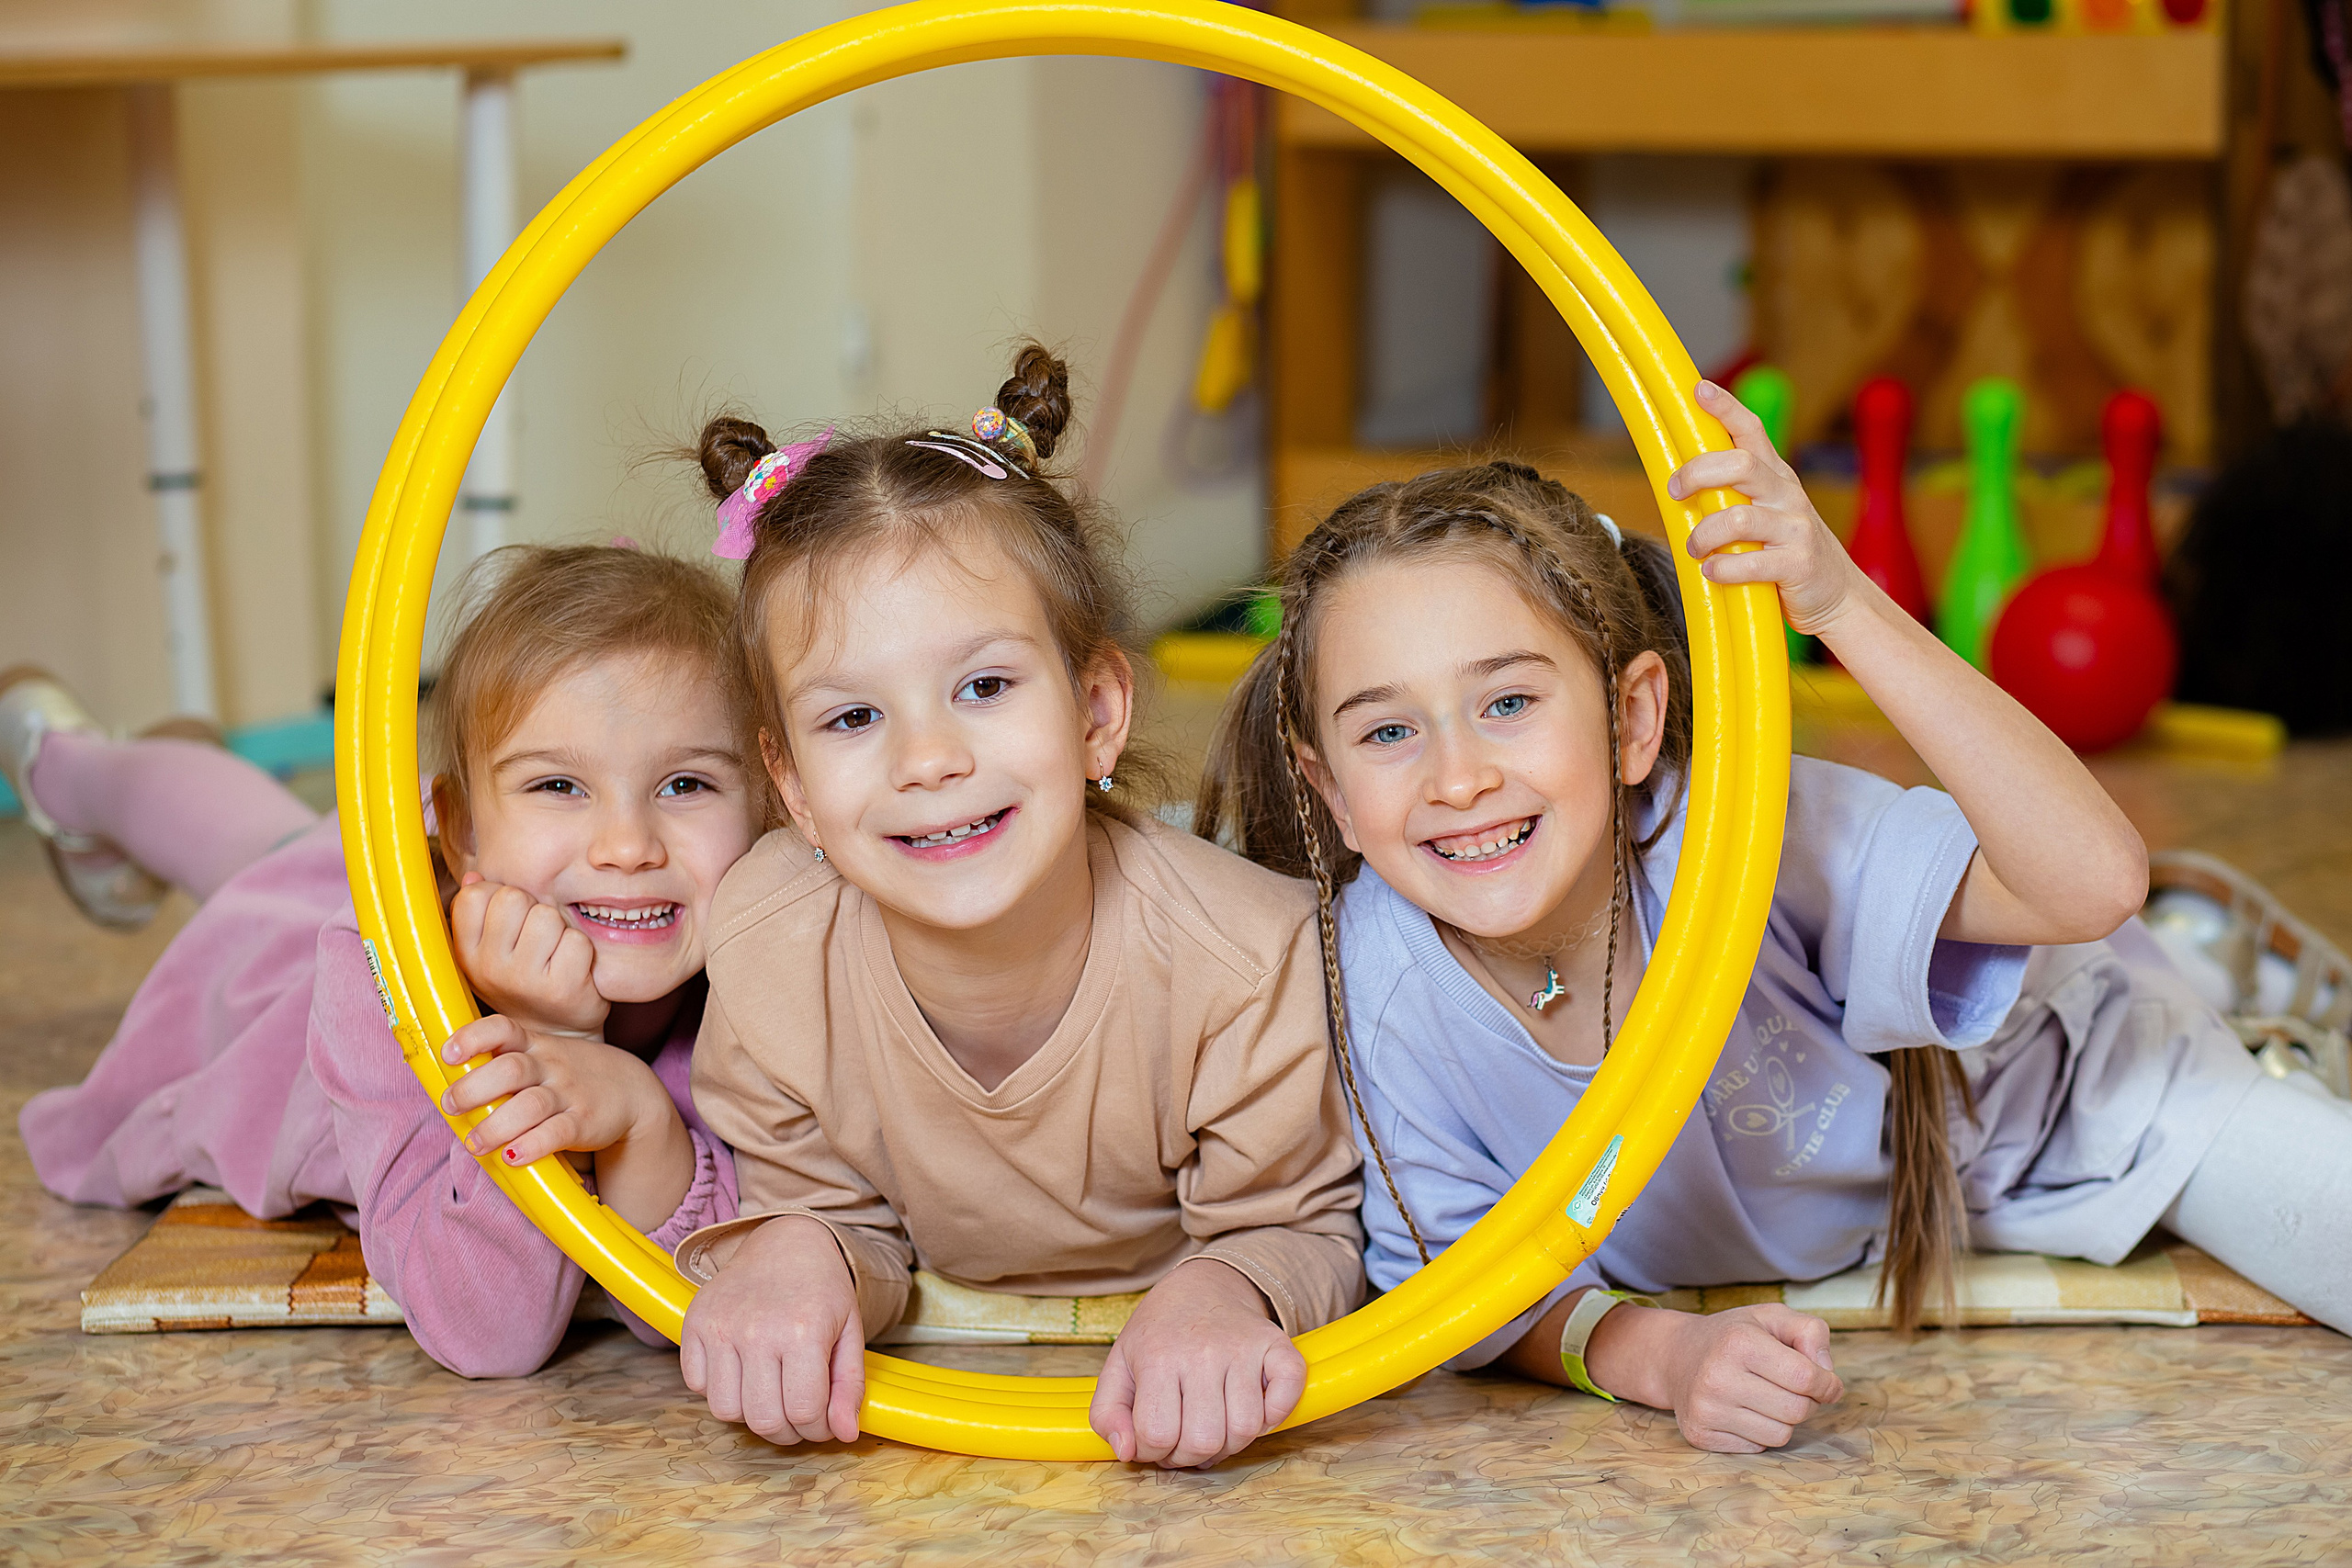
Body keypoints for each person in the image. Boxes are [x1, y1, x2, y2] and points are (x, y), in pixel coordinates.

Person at [1200, 378, 2351, 1454]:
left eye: (1507, 702)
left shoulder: (1744, 830)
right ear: (1327, 787)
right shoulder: (1370, 979)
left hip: (2075, 1100)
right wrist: (1660, 1355)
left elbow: (2090, 885)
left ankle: (2214, 970)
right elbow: (1467, 1284)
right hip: (1877, 1210)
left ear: (1632, 721)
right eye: (1388, 731)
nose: (1458, 779)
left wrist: (1840, 601)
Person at [672, 344, 1365, 1470]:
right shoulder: (765, 941)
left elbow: (1302, 1225)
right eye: (852, 719)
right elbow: (845, 1226)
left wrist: (1228, 1290)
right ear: (790, 786)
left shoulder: (1246, 955)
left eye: (984, 687)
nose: (928, 759)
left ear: (1095, 714)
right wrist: (800, 1249)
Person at [11, 544, 757, 1378]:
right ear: (461, 828)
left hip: (476, 875)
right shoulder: (373, 972)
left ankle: (150, 762)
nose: (627, 846)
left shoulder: (764, 956)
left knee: (269, 840)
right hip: (286, 991)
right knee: (264, 870)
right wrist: (549, 1044)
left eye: (686, 784)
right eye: (558, 785)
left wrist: (644, 1126)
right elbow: (487, 1331)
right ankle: (57, 756)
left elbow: (693, 1298)